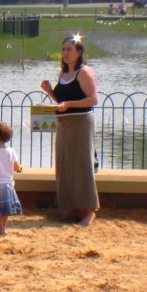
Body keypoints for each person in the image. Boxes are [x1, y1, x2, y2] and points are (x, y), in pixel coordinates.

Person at [39, 34, 99, 226]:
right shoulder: (64, 74)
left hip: (81, 124)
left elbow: (92, 100)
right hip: (64, 124)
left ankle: (89, 210)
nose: (65, 53)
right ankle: (72, 208)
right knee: (65, 165)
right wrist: (50, 91)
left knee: (82, 165)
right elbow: (61, 102)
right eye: (63, 49)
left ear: (79, 52)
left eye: (69, 49)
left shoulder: (84, 72)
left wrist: (68, 104)